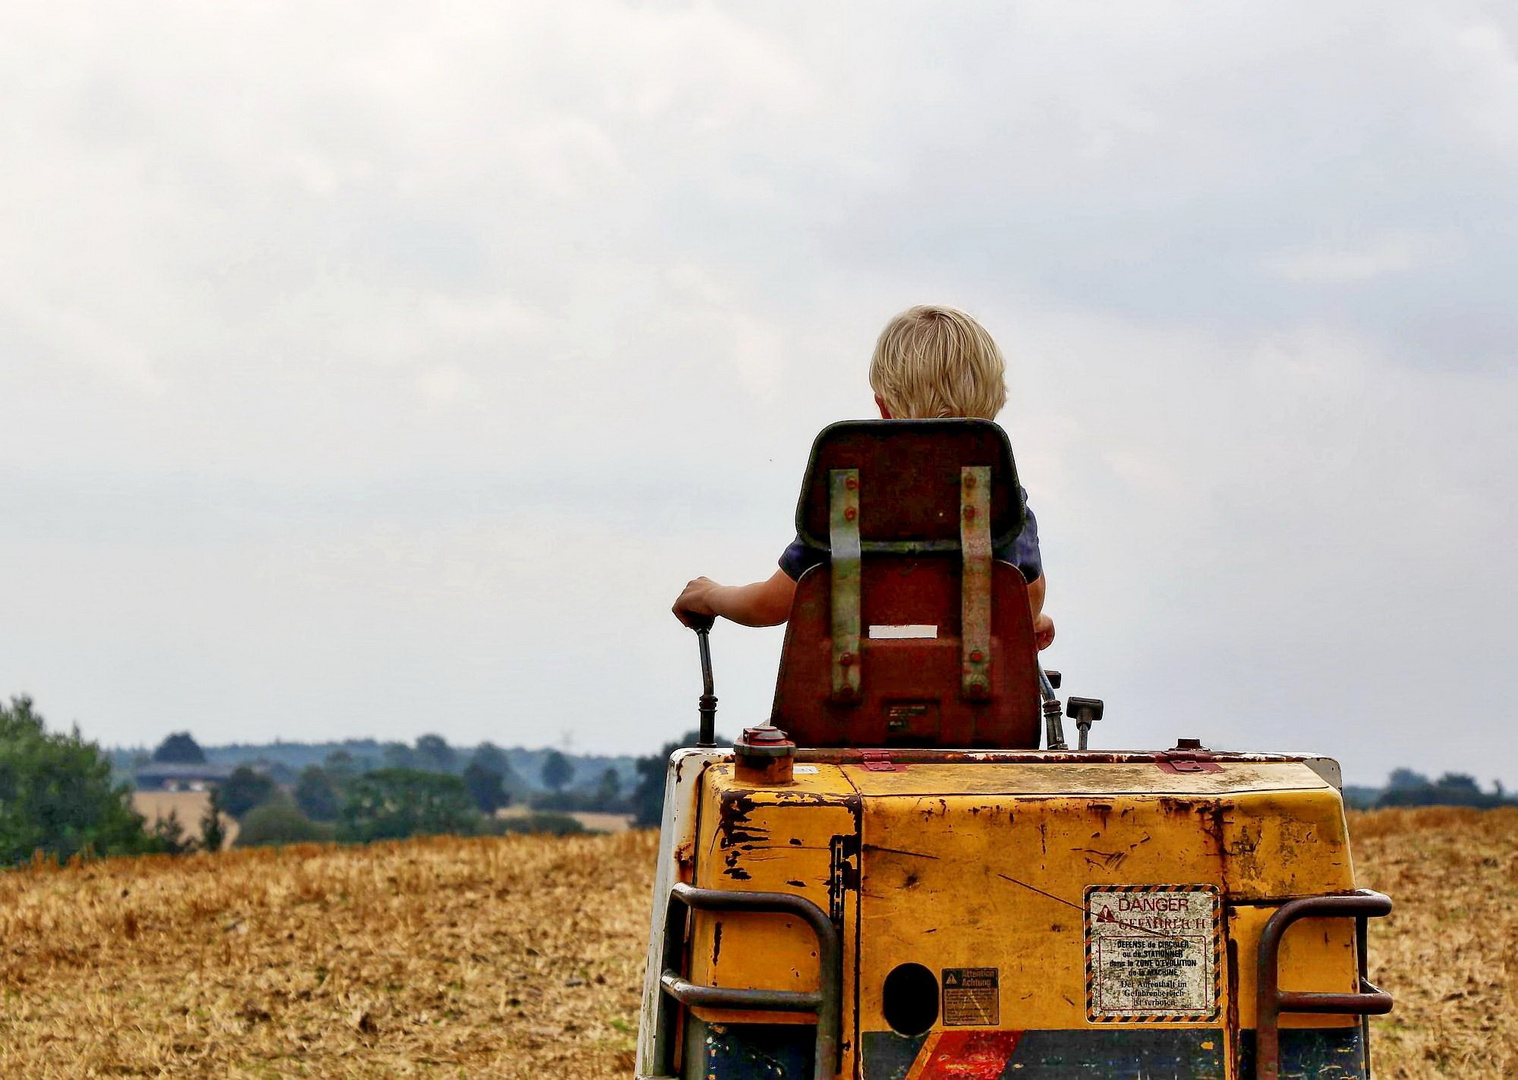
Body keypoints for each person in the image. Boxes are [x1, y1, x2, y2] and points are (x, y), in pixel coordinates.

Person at [672, 304, 1055, 650]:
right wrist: (1035, 619)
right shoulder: (1001, 501)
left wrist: (712, 595)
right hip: (975, 710)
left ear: (883, 408)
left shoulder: (851, 494)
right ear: (994, 404)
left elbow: (771, 604)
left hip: (855, 706)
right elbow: (1028, 596)